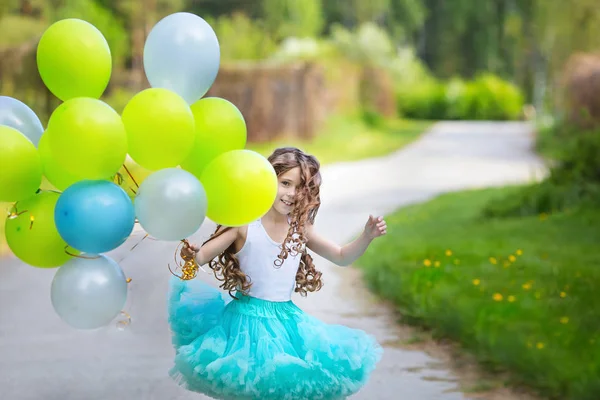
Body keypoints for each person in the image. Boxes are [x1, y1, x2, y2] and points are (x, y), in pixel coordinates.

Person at [168, 147, 387, 400]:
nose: (291, 194)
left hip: (286, 322)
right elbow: (201, 257)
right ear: (266, 180)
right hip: (244, 326)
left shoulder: (300, 227)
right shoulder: (244, 223)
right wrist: (191, 254)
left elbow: (341, 256)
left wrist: (367, 237)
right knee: (249, 388)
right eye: (285, 183)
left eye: (300, 188)